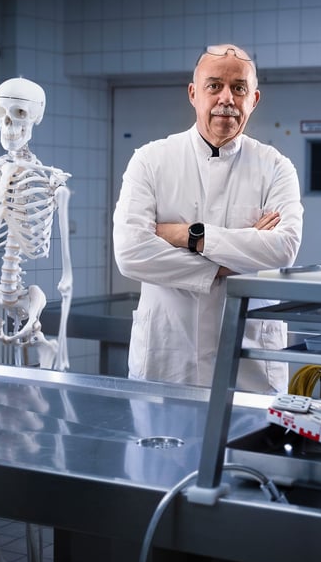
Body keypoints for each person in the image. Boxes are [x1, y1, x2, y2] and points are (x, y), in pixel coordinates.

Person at [112, 43, 304, 393]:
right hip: (167, 360)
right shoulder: (150, 161)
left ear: (254, 99)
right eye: (214, 86)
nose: (226, 98)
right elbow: (131, 253)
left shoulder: (276, 167)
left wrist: (190, 236)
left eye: (239, 88)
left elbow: (283, 248)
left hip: (250, 369)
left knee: (247, 446)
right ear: (193, 94)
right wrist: (228, 263)